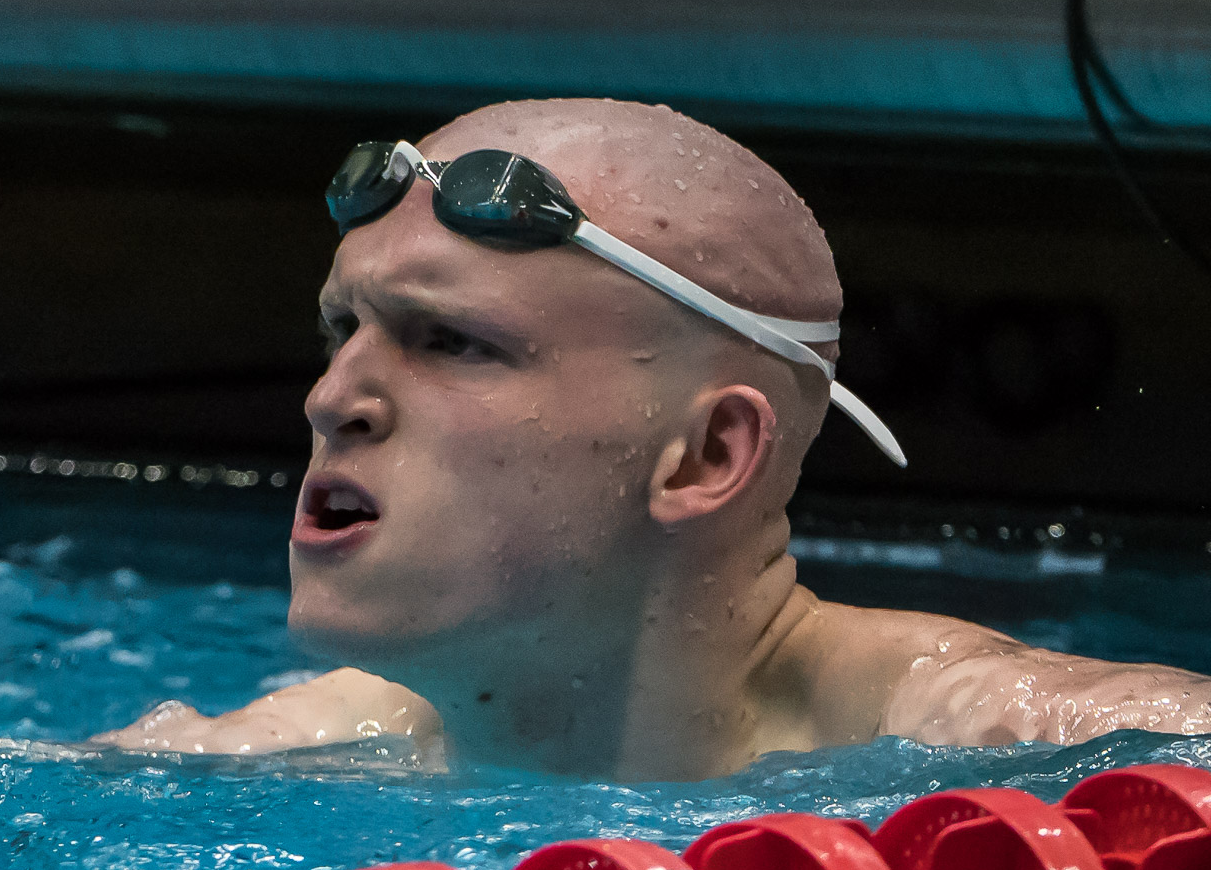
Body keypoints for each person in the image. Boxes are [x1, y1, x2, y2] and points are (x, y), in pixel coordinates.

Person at [94, 98, 1211, 780]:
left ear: (705, 457)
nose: (333, 398)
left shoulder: (1012, 740)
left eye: (451, 342)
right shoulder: (309, 748)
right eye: (345, 330)